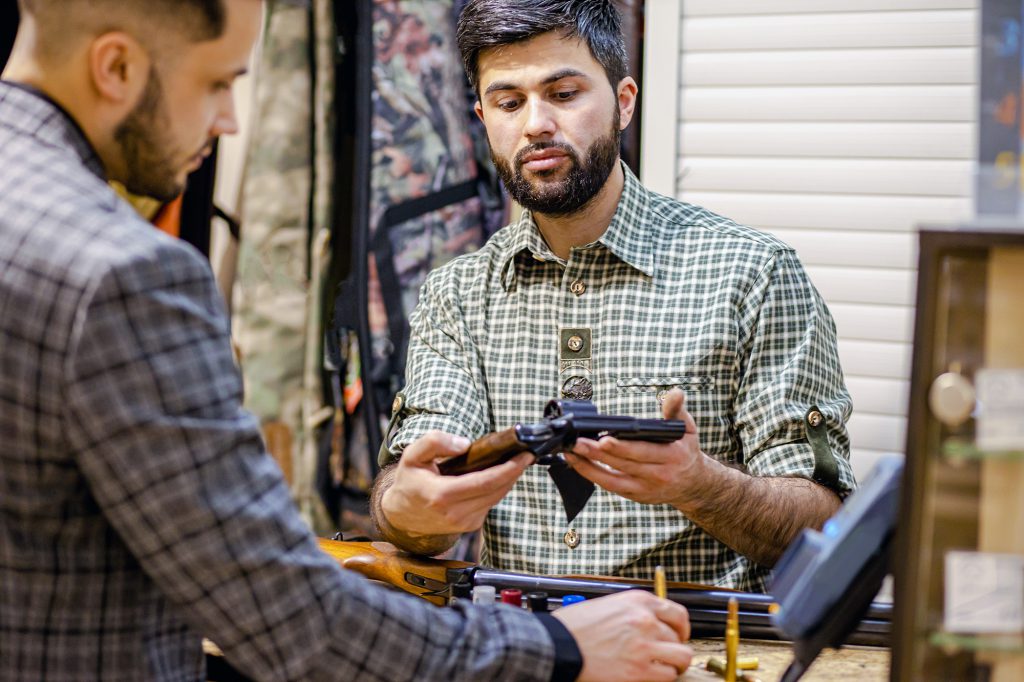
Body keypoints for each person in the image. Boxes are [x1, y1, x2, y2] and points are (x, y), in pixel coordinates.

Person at [0, 1, 694, 680]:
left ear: (623, 100)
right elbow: (290, 618)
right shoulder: (125, 273)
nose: (230, 118)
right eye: (218, 82)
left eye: (565, 92)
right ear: (115, 66)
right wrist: (554, 646)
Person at [371, 0, 857, 593]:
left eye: (564, 93)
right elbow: (409, 492)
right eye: (509, 102)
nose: (535, 124)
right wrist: (409, 512)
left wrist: (697, 482)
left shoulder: (752, 275)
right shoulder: (458, 295)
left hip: (693, 651)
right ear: (482, 117)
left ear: (624, 101)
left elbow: (827, 525)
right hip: (524, 650)